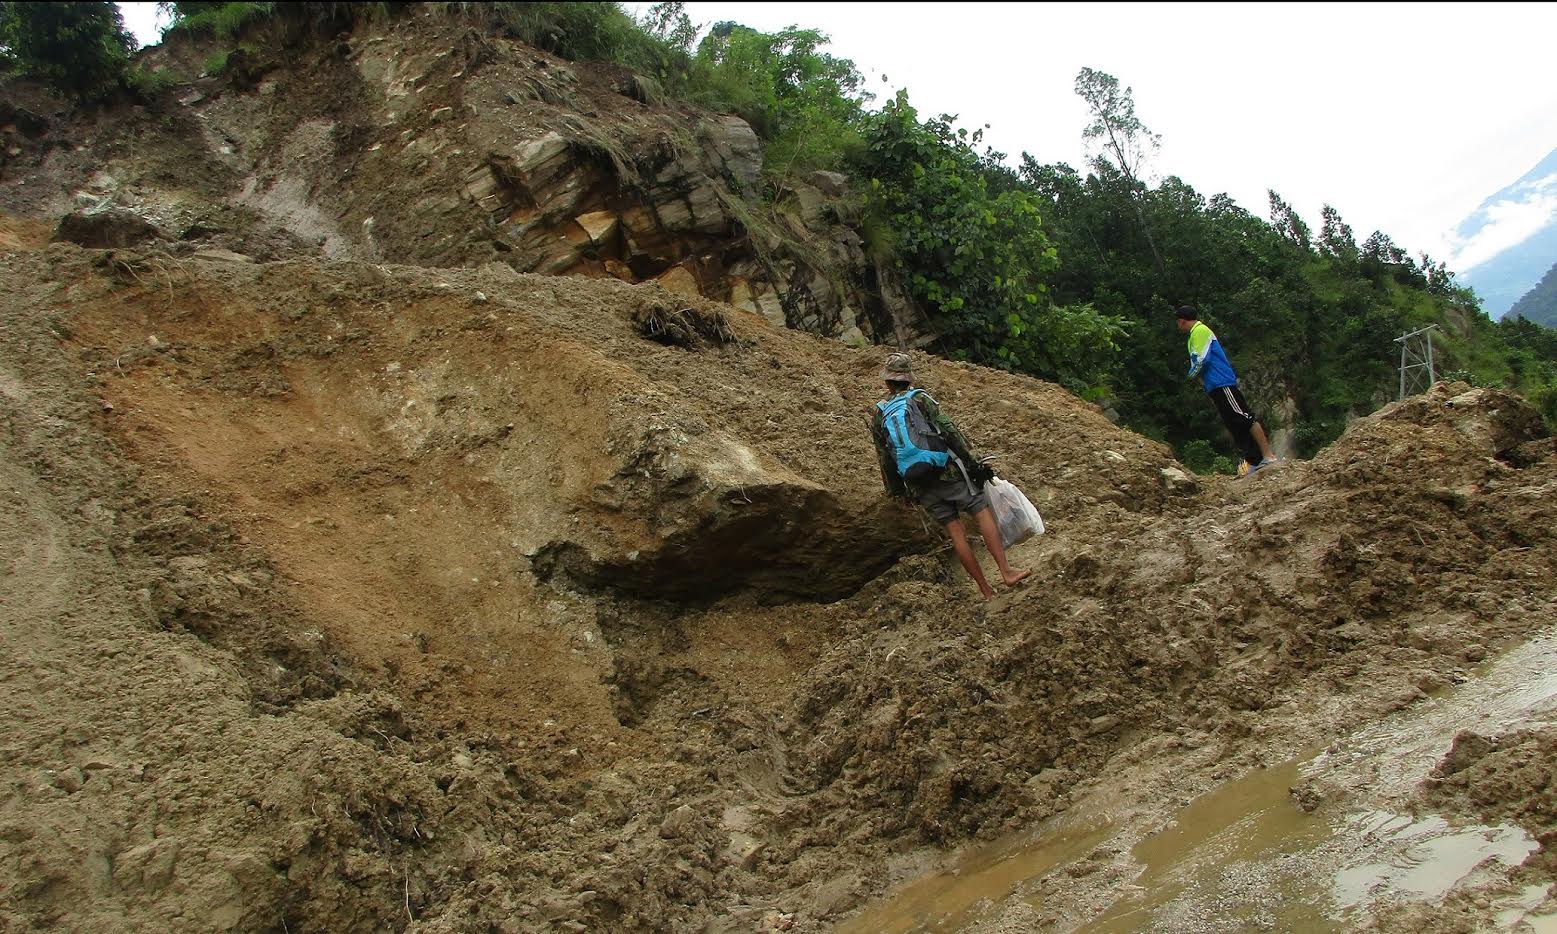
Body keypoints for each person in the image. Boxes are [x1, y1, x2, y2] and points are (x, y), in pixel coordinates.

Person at [869, 352, 1031, 600]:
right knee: (981, 511)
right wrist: (973, 462)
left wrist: (899, 492)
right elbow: (949, 431)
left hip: (919, 484)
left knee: (956, 533)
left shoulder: (880, 414)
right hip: (948, 472)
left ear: (887, 383)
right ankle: (1006, 572)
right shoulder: (920, 399)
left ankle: (986, 591)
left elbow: (886, 459)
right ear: (908, 379)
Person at [1175, 305, 1278, 476]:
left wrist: (1190, 375)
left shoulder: (1199, 331)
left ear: (1182, 321)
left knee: (1243, 416)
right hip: (1214, 385)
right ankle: (1256, 460)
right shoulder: (1195, 333)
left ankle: (1268, 455)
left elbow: (1201, 360)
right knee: (1233, 423)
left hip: (1221, 382)